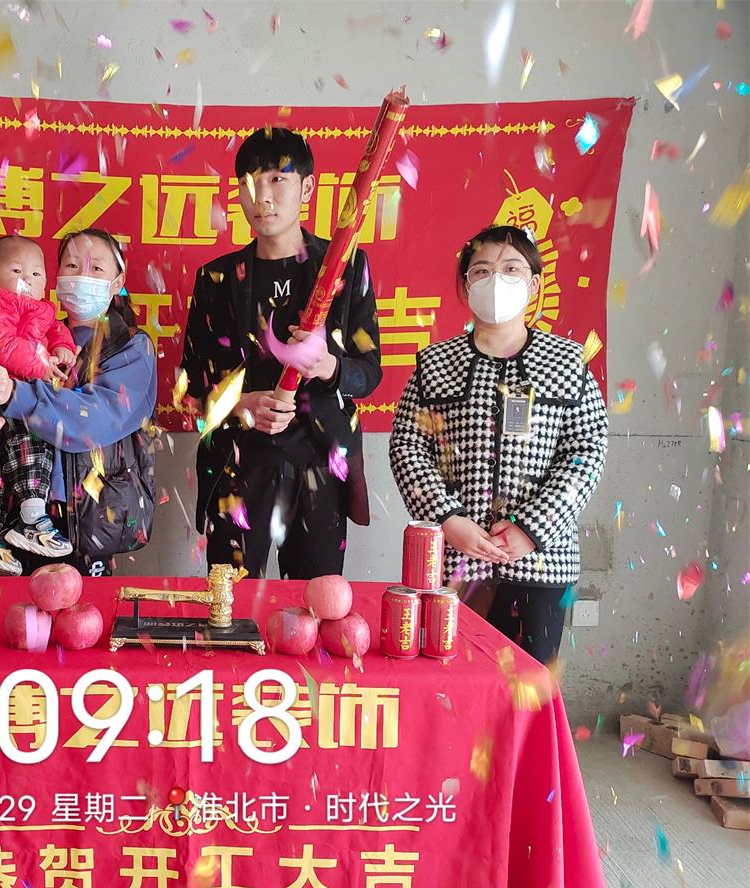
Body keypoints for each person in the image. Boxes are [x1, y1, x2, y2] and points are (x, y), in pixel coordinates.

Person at [388, 224, 608, 664]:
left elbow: (587, 451)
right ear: (466, 284)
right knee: (455, 679)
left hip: (542, 562)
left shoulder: (567, 362)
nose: (496, 280)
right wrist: (449, 520)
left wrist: (531, 529)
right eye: (482, 270)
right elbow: (407, 448)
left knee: (528, 685)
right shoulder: (435, 363)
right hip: (455, 561)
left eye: (511, 269)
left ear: (534, 283)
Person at [180, 126, 382, 579]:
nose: (263, 197)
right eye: (250, 182)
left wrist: (328, 366)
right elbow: (190, 388)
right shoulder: (216, 279)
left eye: (277, 179)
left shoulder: (346, 267)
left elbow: (369, 372)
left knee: (316, 603)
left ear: (307, 188)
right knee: (228, 603)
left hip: (320, 462)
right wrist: (239, 404)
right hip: (237, 463)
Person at [0, 228, 156, 577]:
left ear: (117, 282)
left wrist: (14, 394)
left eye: (96, 268)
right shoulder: (24, 337)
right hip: (11, 517)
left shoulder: (131, 347)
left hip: (85, 521)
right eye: (71, 265)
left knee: (79, 610)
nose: (82, 275)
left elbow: (90, 422)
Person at [0, 235, 77, 574]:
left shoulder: (41, 308)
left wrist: (63, 348)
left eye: (37, 274)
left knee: (5, 460)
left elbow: (54, 329)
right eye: (17, 270)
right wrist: (42, 365)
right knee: (20, 446)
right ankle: (28, 518)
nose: (27, 280)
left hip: (15, 392)